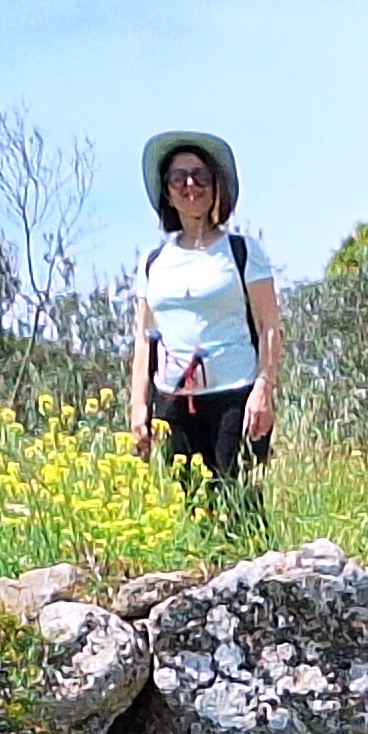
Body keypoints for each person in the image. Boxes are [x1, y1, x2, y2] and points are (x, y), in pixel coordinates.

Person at [128, 132, 280, 489]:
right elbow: (144, 339)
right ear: (166, 192)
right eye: (178, 178)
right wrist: (139, 406)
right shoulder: (153, 263)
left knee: (238, 502)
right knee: (192, 505)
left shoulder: (242, 251)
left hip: (235, 396)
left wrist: (264, 389)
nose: (190, 185)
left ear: (216, 186)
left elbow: (269, 325)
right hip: (174, 401)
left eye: (200, 176)